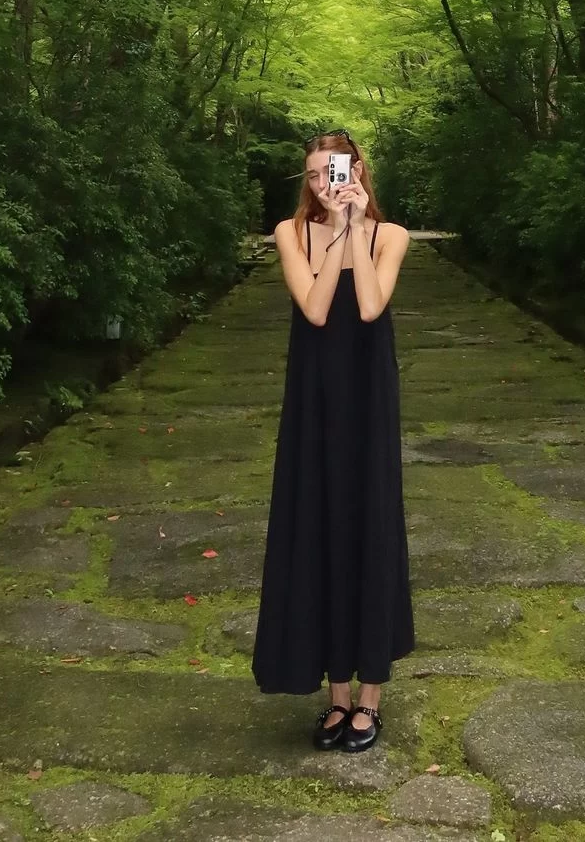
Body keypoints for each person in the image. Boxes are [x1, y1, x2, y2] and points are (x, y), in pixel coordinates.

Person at [251, 130, 415, 753]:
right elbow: (316, 310)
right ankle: (337, 696)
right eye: (316, 175)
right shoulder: (289, 234)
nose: (326, 184)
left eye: (336, 171)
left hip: (369, 397)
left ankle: (370, 698)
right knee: (319, 523)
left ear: (358, 171)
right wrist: (338, 234)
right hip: (316, 399)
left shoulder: (391, 235)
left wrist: (358, 227)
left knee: (369, 522)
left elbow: (370, 306)